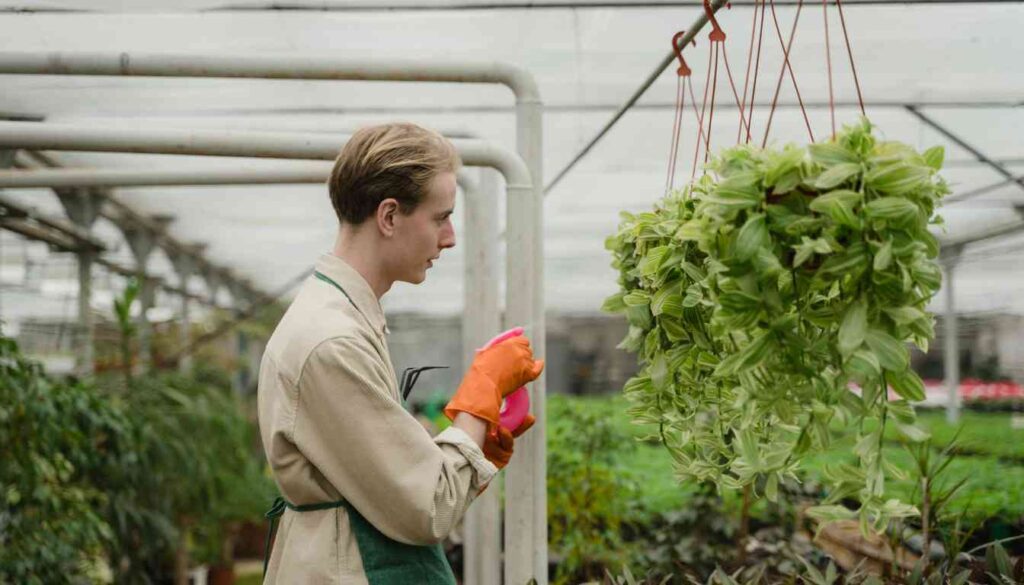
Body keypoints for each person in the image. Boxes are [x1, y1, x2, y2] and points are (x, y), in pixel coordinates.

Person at [257, 122, 543, 584]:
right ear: (389, 217)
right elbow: (426, 506)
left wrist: (478, 442)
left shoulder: (341, 318)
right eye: (440, 217)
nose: (449, 237)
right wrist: (479, 398)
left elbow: (380, 476)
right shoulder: (333, 342)